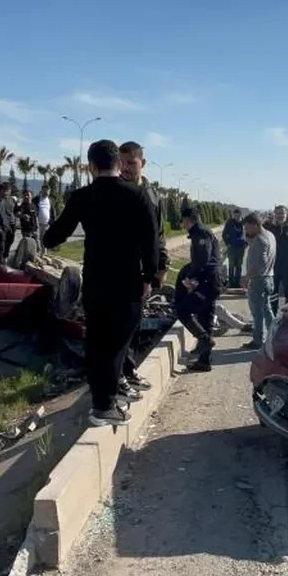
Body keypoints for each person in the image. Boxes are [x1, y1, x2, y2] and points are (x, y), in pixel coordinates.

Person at [43, 139, 159, 426]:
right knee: (118, 342)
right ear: (118, 163)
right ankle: (105, 404)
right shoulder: (137, 195)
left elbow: (54, 236)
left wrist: (47, 236)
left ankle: (102, 400)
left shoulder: (82, 197)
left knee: (96, 341)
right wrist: (150, 277)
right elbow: (151, 242)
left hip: (96, 280)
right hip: (128, 282)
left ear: (91, 166)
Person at [118, 141, 170, 394]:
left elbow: (159, 234)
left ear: (143, 163)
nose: (125, 168)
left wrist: (162, 266)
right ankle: (118, 375)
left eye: (131, 162)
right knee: (119, 325)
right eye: (121, 162)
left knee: (134, 322)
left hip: (142, 270)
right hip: (118, 268)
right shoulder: (116, 190)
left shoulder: (152, 195)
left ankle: (129, 370)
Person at [175, 205, 223, 372]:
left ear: (189, 220)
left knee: (182, 311)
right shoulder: (201, 232)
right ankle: (204, 361)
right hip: (212, 282)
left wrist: (191, 278)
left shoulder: (201, 233)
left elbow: (203, 260)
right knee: (205, 320)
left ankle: (204, 339)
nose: (182, 224)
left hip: (208, 282)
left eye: (183, 221)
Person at [241, 213, 276, 349]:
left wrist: (247, 277)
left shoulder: (260, 240)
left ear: (256, 225)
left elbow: (260, 263)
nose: (246, 230)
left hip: (259, 280)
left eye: (247, 227)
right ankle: (274, 336)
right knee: (266, 309)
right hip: (269, 277)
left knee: (257, 312)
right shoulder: (270, 235)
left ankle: (258, 340)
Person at [265, 205, 288, 314]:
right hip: (273, 266)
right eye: (278, 213)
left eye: (282, 213)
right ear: (274, 215)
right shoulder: (269, 229)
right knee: (273, 291)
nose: (280, 215)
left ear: (286, 215)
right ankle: (273, 314)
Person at [222, 208, 247, 288]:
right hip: (231, 248)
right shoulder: (229, 223)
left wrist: (246, 244)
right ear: (233, 215)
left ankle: (237, 282)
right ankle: (231, 282)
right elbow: (224, 234)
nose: (237, 217)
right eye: (235, 216)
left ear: (241, 215)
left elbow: (248, 233)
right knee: (231, 266)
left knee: (239, 266)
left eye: (238, 216)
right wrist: (227, 243)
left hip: (241, 248)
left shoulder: (244, 223)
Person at [0, 183, 18, 262]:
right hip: (4, 224)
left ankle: (5, 255)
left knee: (10, 241)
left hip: (12, 223)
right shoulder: (0, 200)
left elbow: (16, 210)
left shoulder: (12, 200)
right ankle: (1, 258)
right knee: (3, 242)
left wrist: (19, 214)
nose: (6, 192)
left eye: (8, 190)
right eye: (5, 190)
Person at [36, 185, 53, 251]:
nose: (46, 193)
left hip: (46, 224)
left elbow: (52, 212)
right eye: (45, 191)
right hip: (38, 224)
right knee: (38, 239)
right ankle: (38, 252)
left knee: (45, 239)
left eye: (48, 192)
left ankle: (44, 253)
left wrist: (52, 222)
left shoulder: (49, 200)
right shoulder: (37, 199)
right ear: (42, 190)